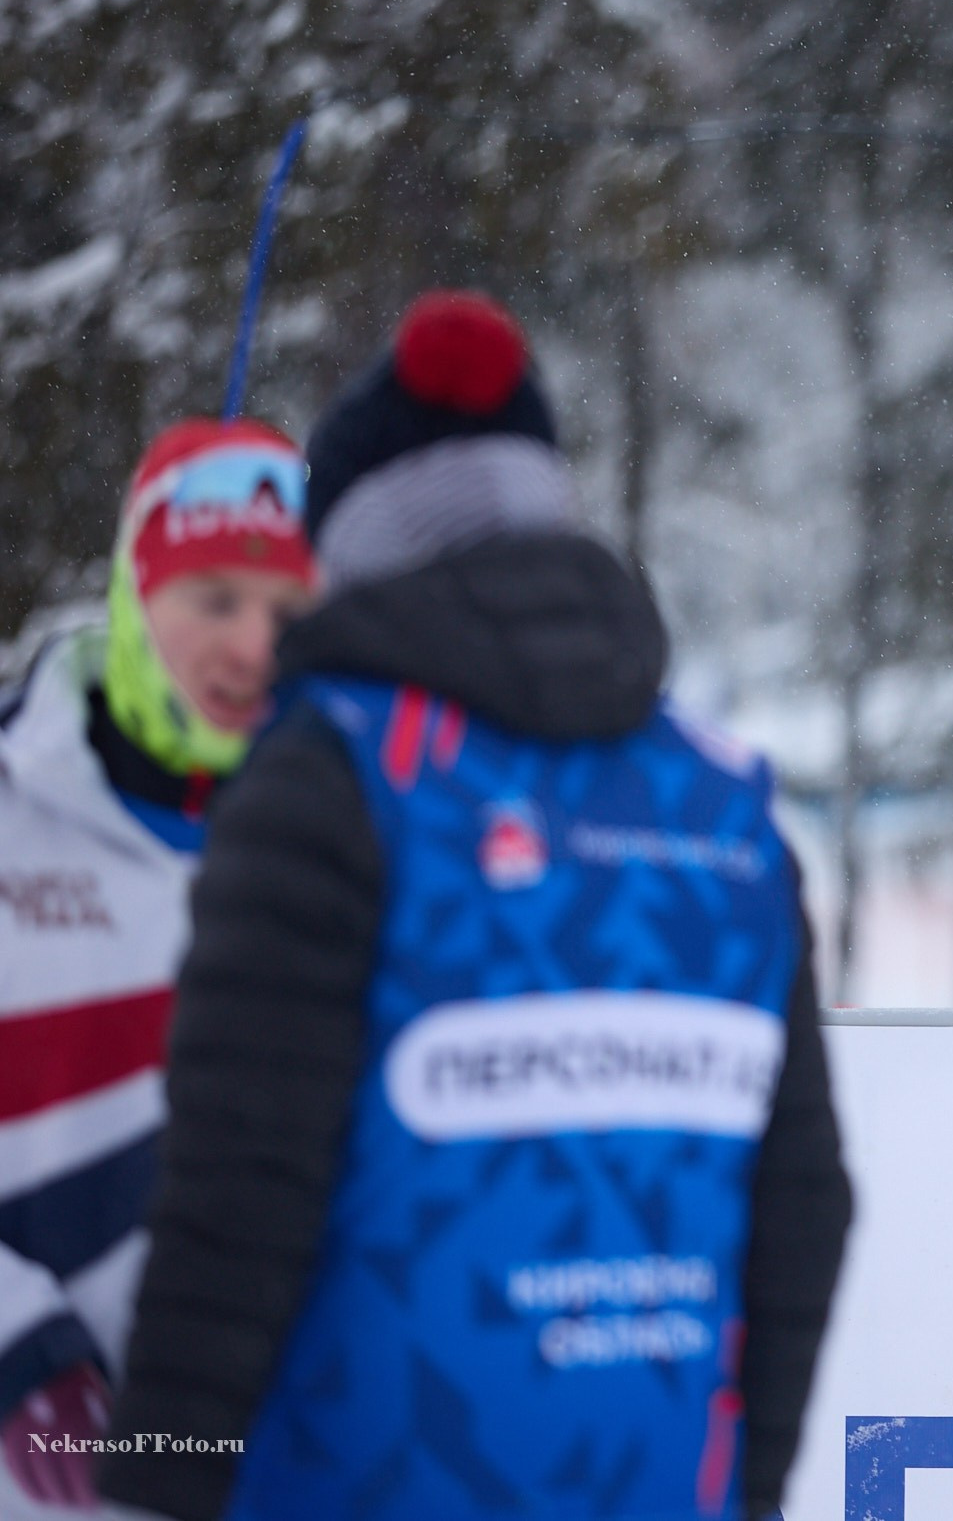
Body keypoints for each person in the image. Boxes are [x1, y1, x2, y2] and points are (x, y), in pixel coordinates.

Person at [97, 292, 853, 1521]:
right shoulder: (724, 802)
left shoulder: (333, 770)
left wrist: (154, 1480)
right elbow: (804, 1200)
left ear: (349, 550)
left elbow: (240, 1195)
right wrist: (743, 1489)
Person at [0, 419, 315, 1518]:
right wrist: (17, 1350)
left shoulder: (357, 834)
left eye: (288, 614)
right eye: (215, 600)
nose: (252, 648)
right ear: (136, 593)